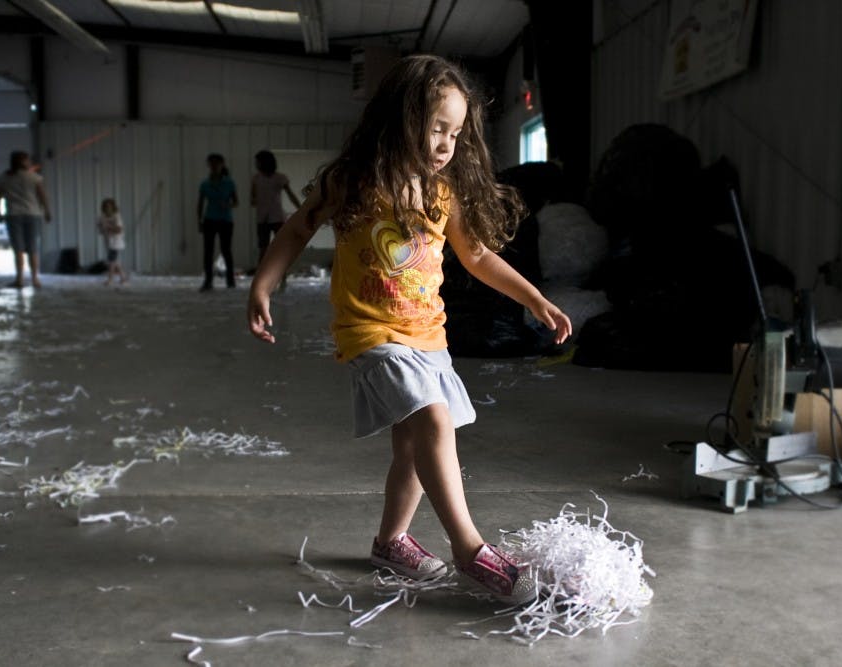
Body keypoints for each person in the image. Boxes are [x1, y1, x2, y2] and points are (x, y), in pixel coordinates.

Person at [247, 55, 572, 605]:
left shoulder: (443, 194)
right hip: (371, 331)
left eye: (456, 132)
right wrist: (262, 285)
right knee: (433, 421)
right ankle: (470, 550)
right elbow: (296, 229)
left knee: (411, 450)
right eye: (436, 127)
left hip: (428, 336)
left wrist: (535, 298)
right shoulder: (353, 181)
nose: (447, 143)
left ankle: (390, 541)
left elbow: (478, 256)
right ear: (401, 119)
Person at [0, 151, 50, 288]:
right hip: (32, 214)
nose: (30, 162)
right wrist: (47, 211)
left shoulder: (4, 177)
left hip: (13, 215)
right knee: (32, 248)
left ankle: (19, 279)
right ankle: (35, 279)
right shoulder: (34, 177)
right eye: (28, 160)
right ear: (23, 161)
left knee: (18, 249)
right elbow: (42, 196)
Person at [251, 150, 301, 265]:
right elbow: (252, 199)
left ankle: (283, 277)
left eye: (258, 162)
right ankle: (261, 278)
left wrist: (300, 208)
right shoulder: (256, 178)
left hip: (277, 217)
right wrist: (256, 199)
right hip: (262, 218)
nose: (256, 164)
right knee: (263, 248)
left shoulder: (279, 178)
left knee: (280, 249)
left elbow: (291, 195)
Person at [197, 153, 238, 291]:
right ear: (208, 165)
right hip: (209, 219)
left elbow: (236, 202)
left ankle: (230, 281)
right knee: (208, 251)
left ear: (222, 165)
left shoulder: (229, 183)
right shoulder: (205, 184)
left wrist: (228, 205)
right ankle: (208, 281)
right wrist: (199, 221)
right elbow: (200, 204)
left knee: (226, 250)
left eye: (217, 163)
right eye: (211, 164)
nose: (214, 166)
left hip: (226, 220)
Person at [97, 198, 127, 286]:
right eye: (106, 207)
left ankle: (110, 279)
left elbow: (119, 229)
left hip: (116, 242)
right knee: (115, 261)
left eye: (109, 207)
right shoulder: (102, 217)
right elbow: (100, 228)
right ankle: (123, 277)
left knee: (111, 261)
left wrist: (109, 228)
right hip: (108, 242)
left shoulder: (116, 216)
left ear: (113, 207)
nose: (108, 209)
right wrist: (102, 228)